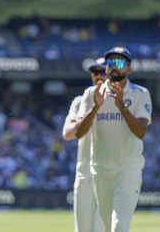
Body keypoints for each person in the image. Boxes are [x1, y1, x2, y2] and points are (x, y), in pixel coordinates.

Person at [75, 47, 152, 232]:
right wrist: (95, 107)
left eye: (119, 63)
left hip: (127, 170)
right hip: (100, 171)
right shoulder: (92, 93)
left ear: (129, 68)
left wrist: (121, 107)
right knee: (107, 227)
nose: (114, 67)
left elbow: (141, 131)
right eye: (110, 63)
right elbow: (79, 133)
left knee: (119, 226)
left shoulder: (140, 94)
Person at [62, 58, 106, 232]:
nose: (98, 76)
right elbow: (67, 133)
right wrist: (93, 109)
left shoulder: (119, 103)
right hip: (84, 176)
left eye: (103, 72)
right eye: (95, 72)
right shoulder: (80, 101)